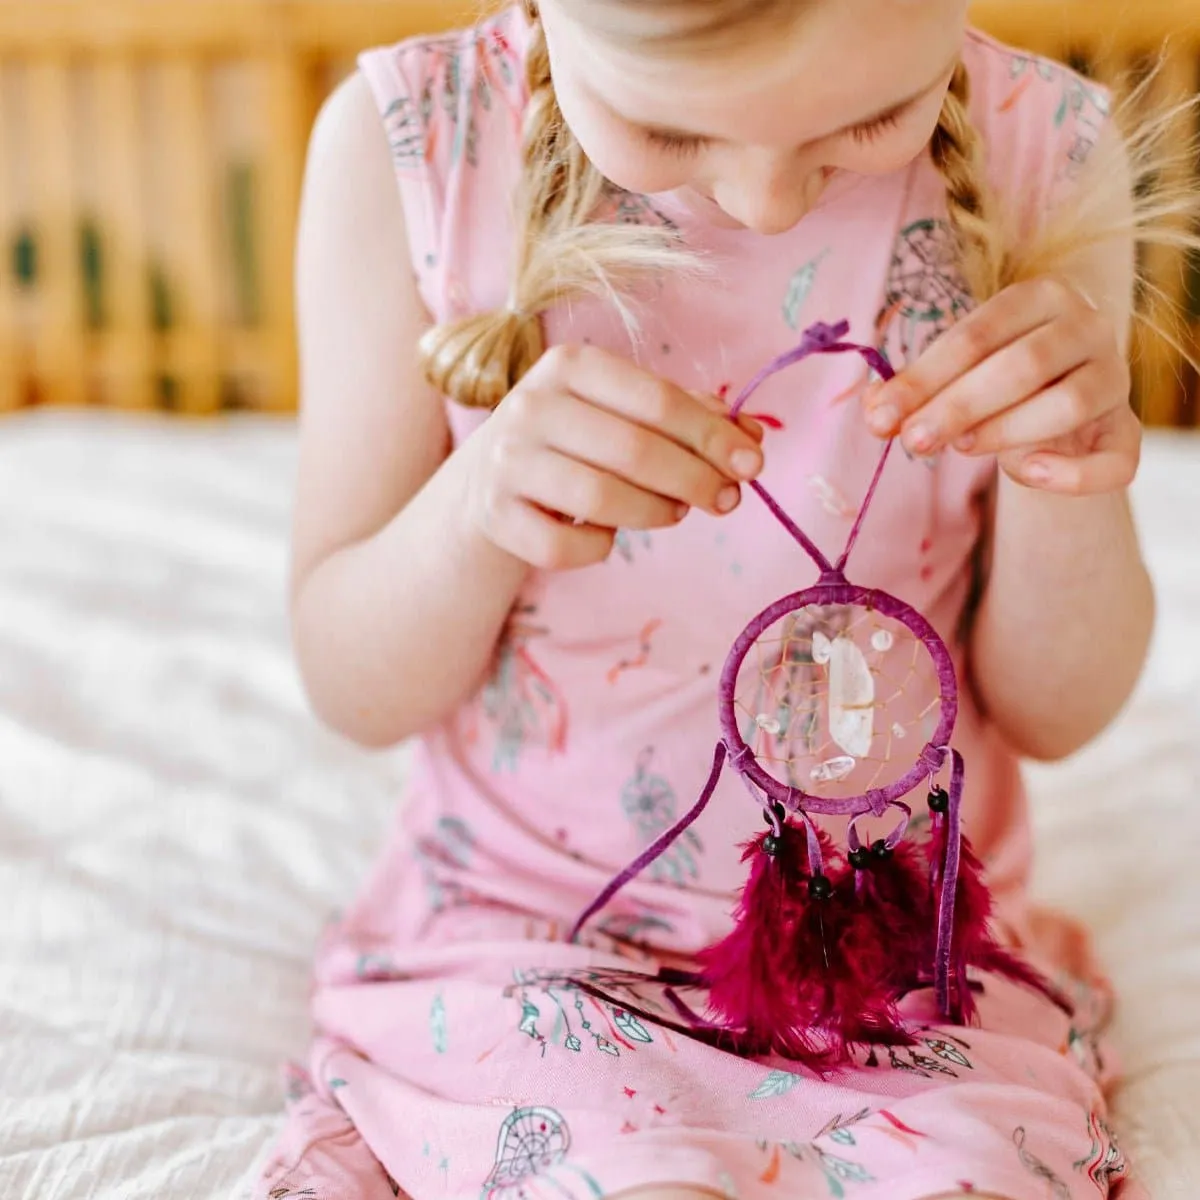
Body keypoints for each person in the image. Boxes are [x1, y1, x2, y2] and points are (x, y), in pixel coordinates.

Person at [260, 1, 1185, 1196]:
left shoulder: (1044, 155)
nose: (768, 202)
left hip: (899, 968)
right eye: (667, 131)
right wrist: (477, 508)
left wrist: (1068, 474)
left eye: (871, 121)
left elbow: (1058, 711)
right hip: (529, 939)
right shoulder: (414, 152)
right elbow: (350, 682)